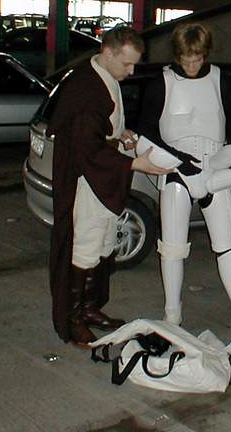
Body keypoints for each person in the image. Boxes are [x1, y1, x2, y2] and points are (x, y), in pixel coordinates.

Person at [138, 22, 231, 343]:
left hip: (214, 169)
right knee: (172, 249)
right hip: (176, 171)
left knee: (228, 246)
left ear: (205, 53)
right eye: (185, 58)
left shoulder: (222, 80)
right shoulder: (161, 82)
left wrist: (223, 159)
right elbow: (147, 131)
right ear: (177, 55)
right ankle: (172, 316)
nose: (191, 64)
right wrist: (182, 164)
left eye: (197, 58)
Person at [47, 26, 172, 348]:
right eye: (127, 64)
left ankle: (89, 309)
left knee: (103, 243)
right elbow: (86, 147)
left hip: (100, 174)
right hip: (87, 178)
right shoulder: (86, 88)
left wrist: (120, 133)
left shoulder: (104, 77)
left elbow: (101, 127)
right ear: (107, 52)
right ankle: (74, 319)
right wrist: (135, 164)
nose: (131, 72)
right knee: (86, 246)